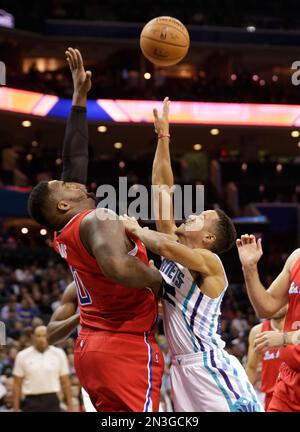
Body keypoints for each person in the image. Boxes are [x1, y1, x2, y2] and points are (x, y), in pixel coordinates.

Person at [27, 48, 164, 412]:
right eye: (64, 185)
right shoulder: (96, 219)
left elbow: (74, 159)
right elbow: (118, 268)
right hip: (125, 347)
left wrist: (79, 98)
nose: (72, 181)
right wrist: (159, 281)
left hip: (92, 348)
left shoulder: (68, 231)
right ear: (62, 204)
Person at [120, 97, 263, 412]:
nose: (192, 214)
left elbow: (166, 246)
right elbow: (161, 188)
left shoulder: (210, 263)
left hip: (210, 366)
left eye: (200, 216)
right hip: (181, 370)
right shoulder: (177, 246)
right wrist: (163, 138)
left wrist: (136, 229)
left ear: (209, 237)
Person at [236, 235, 300, 411]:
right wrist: (249, 268)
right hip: (289, 382)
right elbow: (267, 306)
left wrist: (285, 338)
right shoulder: (296, 258)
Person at [47, 282, 96, 412]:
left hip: (128, 355)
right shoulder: (76, 286)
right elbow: (51, 334)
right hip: (92, 364)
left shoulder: (127, 274)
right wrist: (81, 315)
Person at [12, 326, 73, 412]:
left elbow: (66, 383)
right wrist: (15, 409)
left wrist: (71, 407)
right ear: (33, 337)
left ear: (49, 336)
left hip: (52, 400)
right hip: (30, 401)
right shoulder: (22, 355)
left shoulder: (59, 354)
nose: (41, 339)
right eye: (38, 336)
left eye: (44, 335)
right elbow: (17, 385)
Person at [246, 306, 287, 410]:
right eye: (273, 300)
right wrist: (245, 396)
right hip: (271, 398)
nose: (276, 305)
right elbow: (251, 367)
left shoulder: (296, 329)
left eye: (281, 301)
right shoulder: (258, 331)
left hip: (295, 394)